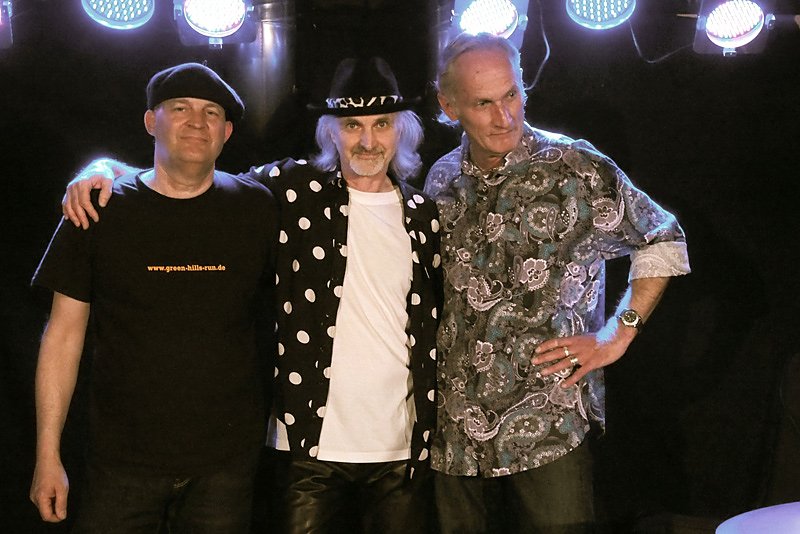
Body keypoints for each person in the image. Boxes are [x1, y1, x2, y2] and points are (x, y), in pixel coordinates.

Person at [60, 56, 441, 533]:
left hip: (403, 445)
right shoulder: (290, 189)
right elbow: (189, 174)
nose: (367, 141)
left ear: (402, 130)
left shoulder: (424, 215)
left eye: (381, 124)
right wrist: (104, 167)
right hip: (306, 444)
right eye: (352, 125)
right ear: (330, 132)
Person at [424, 33, 691, 533]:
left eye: (511, 94)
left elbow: (662, 237)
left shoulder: (574, 167)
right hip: (456, 424)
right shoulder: (442, 179)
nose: (504, 116)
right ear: (449, 106)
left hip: (549, 419)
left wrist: (617, 333)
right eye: (483, 103)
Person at [29, 63, 278, 532]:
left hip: (226, 465)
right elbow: (62, 336)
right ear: (150, 121)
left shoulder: (258, 206)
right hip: (120, 463)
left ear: (226, 132)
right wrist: (47, 455)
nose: (196, 122)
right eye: (180, 108)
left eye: (211, 113)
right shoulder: (97, 210)